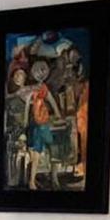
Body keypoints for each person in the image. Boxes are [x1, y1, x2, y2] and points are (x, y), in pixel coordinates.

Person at [24, 59, 62, 190]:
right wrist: (25, 120)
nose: (40, 74)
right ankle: (32, 181)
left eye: (43, 71)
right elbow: (27, 107)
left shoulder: (43, 88)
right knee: (36, 152)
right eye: (38, 71)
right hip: (35, 123)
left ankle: (53, 178)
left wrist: (57, 114)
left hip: (42, 122)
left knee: (51, 148)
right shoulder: (30, 89)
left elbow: (52, 101)